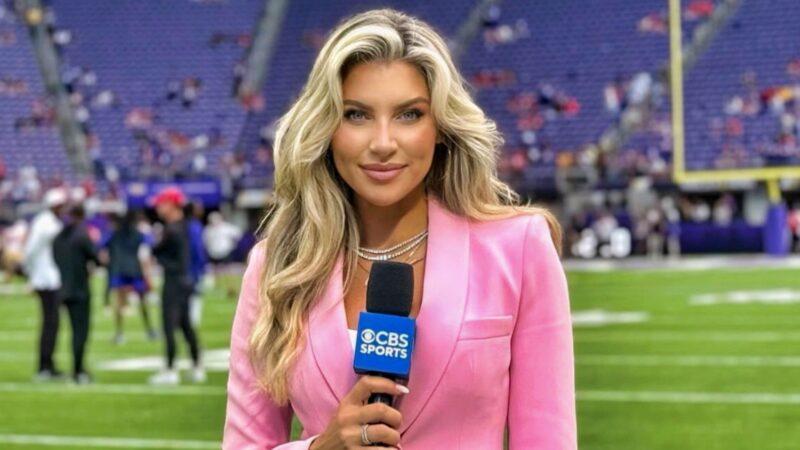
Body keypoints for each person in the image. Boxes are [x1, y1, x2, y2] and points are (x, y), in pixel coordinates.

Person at [223, 9, 576, 450]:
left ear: (440, 126)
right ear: (327, 128)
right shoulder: (276, 267)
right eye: (356, 115)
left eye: (409, 115)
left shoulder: (519, 248)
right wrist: (319, 447)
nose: (383, 143)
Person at [149, 187, 205, 385]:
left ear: (171, 204)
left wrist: (156, 255)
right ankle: (196, 365)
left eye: (161, 204)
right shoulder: (187, 226)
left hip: (174, 281)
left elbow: (169, 257)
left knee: (169, 325)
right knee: (186, 325)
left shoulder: (173, 229)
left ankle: (170, 369)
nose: (158, 208)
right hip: (185, 281)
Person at [23, 188, 67, 381]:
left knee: (52, 323)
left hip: (50, 277)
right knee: (50, 323)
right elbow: (30, 250)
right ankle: (44, 366)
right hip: (46, 279)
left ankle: (48, 364)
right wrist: (32, 275)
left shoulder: (50, 222)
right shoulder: (45, 223)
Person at [53, 205, 100, 384]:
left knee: (72, 330)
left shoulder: (59, 237)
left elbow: (56, 257)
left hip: (63, 288)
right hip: (79, 289)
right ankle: (78, 370)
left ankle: (77, 368)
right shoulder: (81, 235)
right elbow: (96, 257)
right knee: (80, 331)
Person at [102, 210, 157, 344]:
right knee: (142, 302)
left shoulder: (114, 233)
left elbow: (100, 244)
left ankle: (119, 333)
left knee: (119, 302)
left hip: (119, 269)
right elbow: (151, 241)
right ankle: (149, 330)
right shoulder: (137, 233)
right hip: (134, 270)